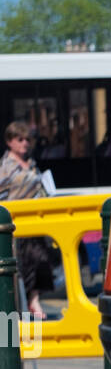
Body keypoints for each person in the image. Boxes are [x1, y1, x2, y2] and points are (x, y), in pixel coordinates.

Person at [0, 122, 50, 319]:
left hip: (36, 220)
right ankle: (21, 306)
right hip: (16, 224)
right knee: (20, 266)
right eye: (20, 139)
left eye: (28, 139)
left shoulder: (31, 163)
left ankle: (34, 301)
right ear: (10, 142)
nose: (25, 144)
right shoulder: (5, 166)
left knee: (40, 261)